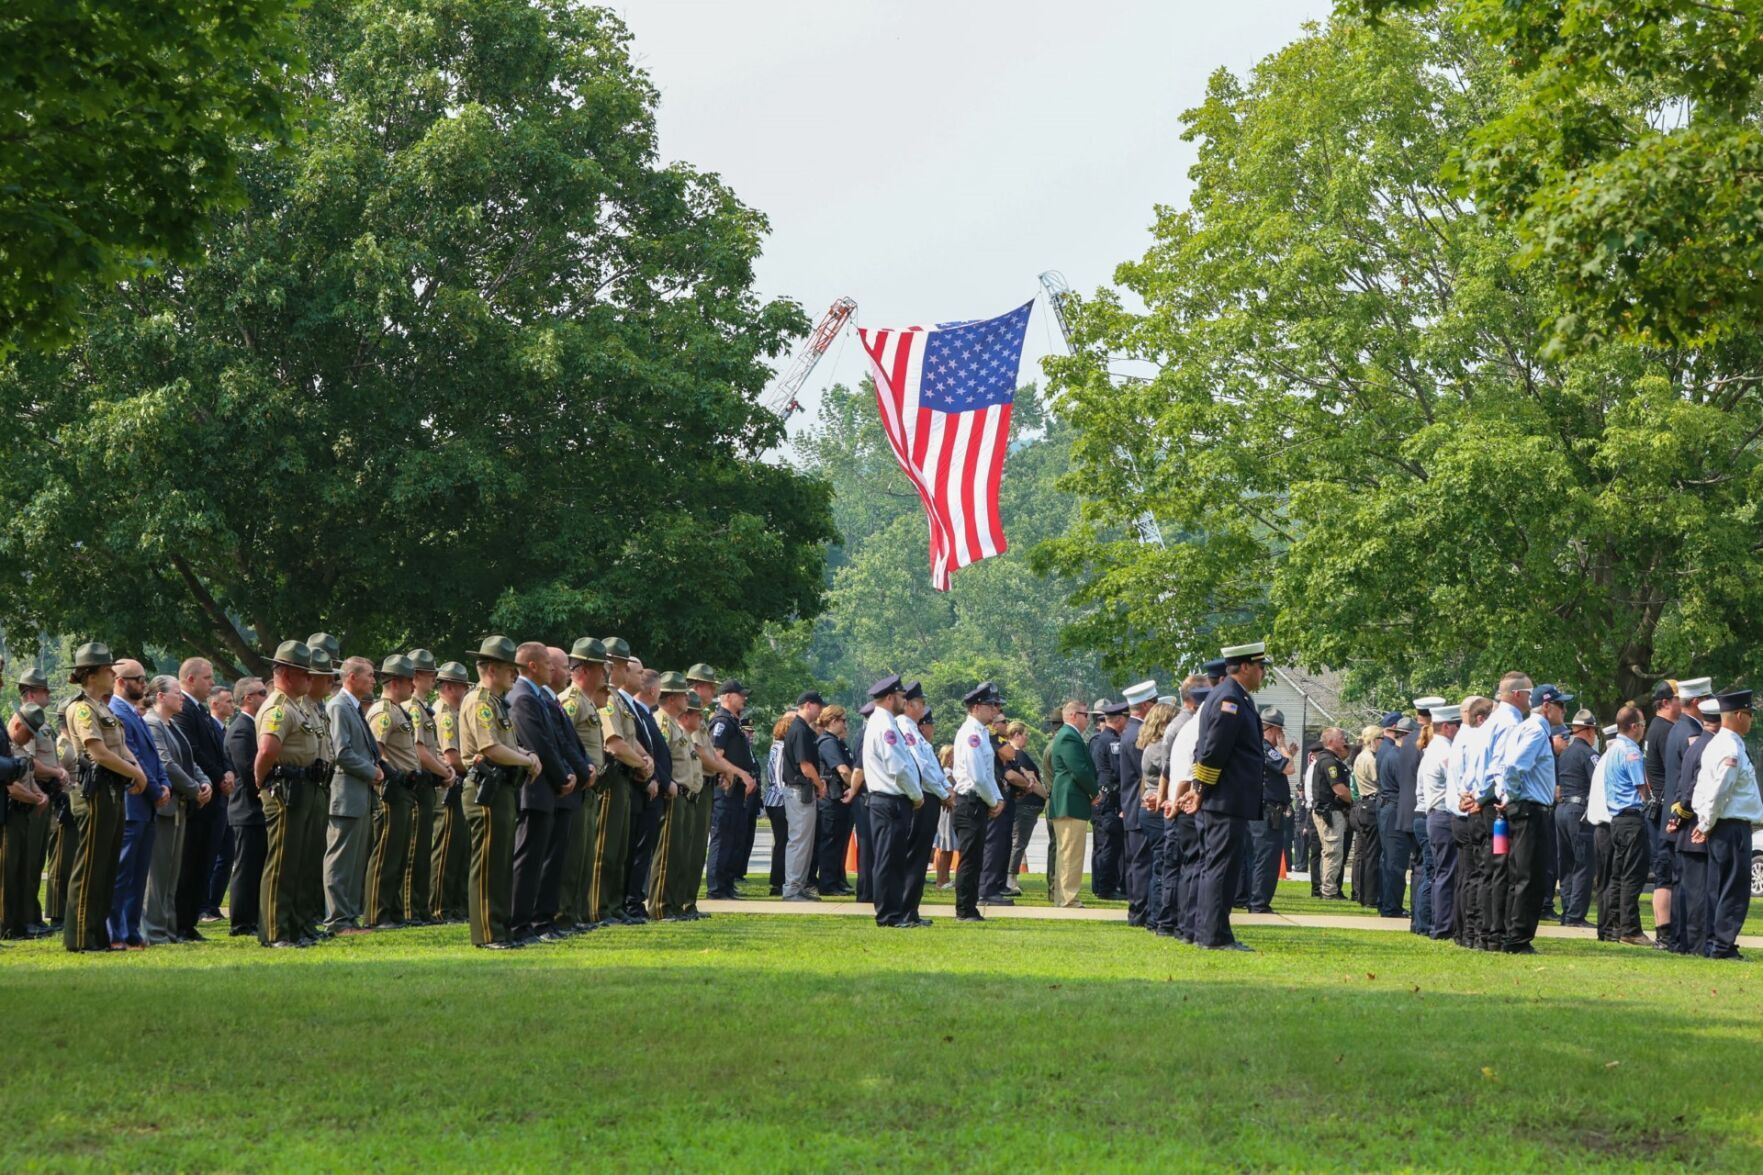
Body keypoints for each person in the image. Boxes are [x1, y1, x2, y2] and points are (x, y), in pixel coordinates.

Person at [1188, 641, 1271, 952]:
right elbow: (1212, 751)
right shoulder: (1229, 700)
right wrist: (1201, 789)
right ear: (1246, 666)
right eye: (1261, 667)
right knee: (1221, 869)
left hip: (1228, 798)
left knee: (1221, 868)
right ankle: (1214, 936)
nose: (1263, 673)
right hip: (1224, 799)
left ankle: (1212, 932)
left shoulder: (1235, 697)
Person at [460, 636, 541, 949]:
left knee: (500, 864)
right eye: (510, 668)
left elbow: (504, 745)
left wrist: (523, 755)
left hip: (503, 788)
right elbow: (490, 748)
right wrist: (527, 759)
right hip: (486, 788)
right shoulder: (481, 701)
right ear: (491, 668)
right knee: (488, 866)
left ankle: (501, 930)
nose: (515, 674)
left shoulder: (495, 702)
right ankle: (488, 934)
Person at [507, 641, 579, 941]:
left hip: (546, 790)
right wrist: (563, 775)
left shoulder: (536, 697)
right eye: (547, 664)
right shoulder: (523, 698)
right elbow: (540, 744)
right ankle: (520, 924)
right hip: (534, 790)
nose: (553, 669)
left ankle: (535, 922)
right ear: (533, 666)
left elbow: (557, 741)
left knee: (538, 861)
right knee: (527, 861)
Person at [253, 641, 323, 948]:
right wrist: (262, 781)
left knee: (299, 862)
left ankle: (294, 926)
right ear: (288, 673)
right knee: (282, 862)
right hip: (285, 788)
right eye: (305, 673)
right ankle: (277, 931)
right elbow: (267, 750)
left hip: (304, 787)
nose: (311, 679)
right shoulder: (279, 707)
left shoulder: (297, 705)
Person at [1486, 679, 1563, 955]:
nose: (1563, 711)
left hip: (1527, 807)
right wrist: (1514, 795)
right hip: (1530, 809)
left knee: (1523, 874)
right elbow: (1514, 767)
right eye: (1560, 705)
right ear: (1546, 705)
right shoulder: (1534, 731)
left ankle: (1512, 933)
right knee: (1529, 876)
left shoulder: (1527, 728)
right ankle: (1517, 938)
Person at [1687, 690, 1759, 961]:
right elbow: (1719, 790)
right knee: (1733, 888)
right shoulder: (1729, 747)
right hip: (1731, 825)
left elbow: (1704, 789)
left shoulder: (1719, 744)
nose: (1751, 721)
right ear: (1739, 715)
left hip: (1722, 824)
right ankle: (1722, 945)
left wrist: (1705, 821)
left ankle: (1717, 942)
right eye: (1750, 715)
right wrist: (1707, 822)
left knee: (1719, 886)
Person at [142, 676, 210, 944]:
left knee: (172, 873)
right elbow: (166, 763)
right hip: (164, 808)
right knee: (157, 874)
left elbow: (189, 760)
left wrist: (204, 782)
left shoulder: (171, 725)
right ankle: (154, 931)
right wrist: (195, 788)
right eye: (176, 693)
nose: (181, 698)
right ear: (160, 696)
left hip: (179, 807)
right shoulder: (152, 723)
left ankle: (168, 930)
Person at [108, 658, 170, 949]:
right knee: (123, 873)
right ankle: (116, 931)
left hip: (145, 804)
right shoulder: (116, 712)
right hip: (133, 802)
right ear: (120, 681)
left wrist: (164, 784)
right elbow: (132, 755)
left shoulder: (133, 712)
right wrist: (156, 790)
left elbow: (154, 758)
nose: (144, 684)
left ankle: (132, 931)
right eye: (139, 679)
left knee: (138, 874)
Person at [591, 640, 652, 923]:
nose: (623, 669)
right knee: (604, 850)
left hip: (624, 779)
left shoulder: (615, 699)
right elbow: (614, 743)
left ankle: (613, 907)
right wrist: (642, 762)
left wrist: (644, 758)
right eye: (619, 664)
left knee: (617, 851)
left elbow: (629, 740)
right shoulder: (605, 699)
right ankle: (599, 907)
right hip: (611, 779)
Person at [322, 655, 382, 935]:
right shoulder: (338, 707)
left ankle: (348, 917)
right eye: (369, 674)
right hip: (345, 794)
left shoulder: (353, 707)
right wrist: (372, 771)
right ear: (351, 677)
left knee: (355, 860)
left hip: (358, 794)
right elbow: (341, 752)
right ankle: (337, 920)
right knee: (340, 859)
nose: (373, 680)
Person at [369, 655, 429, 931]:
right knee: (386, 854)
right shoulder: (383, 711)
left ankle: (392, 911)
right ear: (395, 682)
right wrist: (391, 775)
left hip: (406, 787)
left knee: (399, 853)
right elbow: (376, 750)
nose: (413, 685)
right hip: (393, 788)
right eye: (408, 680)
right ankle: (378, 913)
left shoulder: (397, 710)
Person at [556, 639, 610, 931]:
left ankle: (575, 913)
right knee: (572, 855)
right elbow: (562, 742)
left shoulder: (587, 702)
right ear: (587, 669)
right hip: (576, 787)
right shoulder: (572, 701)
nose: (605, 675)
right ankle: (563, 914)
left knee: (584, 855)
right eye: (602, 668)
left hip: (590, 788)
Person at [861, 675, 922, 928]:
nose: (903, 700)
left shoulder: (884, 722)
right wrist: (916, 795)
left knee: (894, 858)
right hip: (890, 800)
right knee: (888, 859)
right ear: (889, 698)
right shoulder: (885, 726)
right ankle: (888, 914)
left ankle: (892, 912)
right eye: (900, 696)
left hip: (888, 801)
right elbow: (897, 767)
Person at [1659, 676, 1711, 952]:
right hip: (1687, 818)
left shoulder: (1677, 729)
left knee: (1681, 884)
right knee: (1693, 887)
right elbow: (1692, 780)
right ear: (1697, 702)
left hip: (1677, 817)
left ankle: (1679, 939)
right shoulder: (1692, 734)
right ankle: (1691, 940)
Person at [1668, 699, 1723, 955]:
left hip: (1685, 828)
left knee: (1686, 891)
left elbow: (1681, 787)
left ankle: (1682, 943)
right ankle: (1697, 945)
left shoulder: (1696, 745)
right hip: (1698, 828)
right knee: (1700, 894)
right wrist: (1686, 816)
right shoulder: (1711, 747)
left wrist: (1676, 817)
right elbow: (1692, 790)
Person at [402, 649, 450, 927]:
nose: (434, 679)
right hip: (418, 783)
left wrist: (442, 767)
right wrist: (444, 770)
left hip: (427, 783)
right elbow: (419, 752)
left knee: (422, 850)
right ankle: (411, 908)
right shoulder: (413, 708)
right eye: (430, 674)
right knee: (414, 851)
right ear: (417, 676)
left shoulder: (421, 708)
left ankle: (421, 908)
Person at [950, 682, 1005, 922]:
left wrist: (997, 799)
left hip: (979, 802)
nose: (996, 710)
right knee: (969, 860)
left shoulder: (981, 733)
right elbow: (977, 775)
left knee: (976, 858)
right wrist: (994, 800)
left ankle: (969, 907)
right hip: (970, 802)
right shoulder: (971, 733)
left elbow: (987, 774)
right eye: (991, 705)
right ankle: (964, 910)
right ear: (975, 707)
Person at [1599, 704, 1651, 946]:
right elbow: (1642, 788)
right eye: (1642, 725)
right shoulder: (1631, 751)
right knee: (1633, 875)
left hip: (1616, 820)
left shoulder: (1612, 749)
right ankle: (1631, 928)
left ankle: (1615, 925)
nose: (1644, 730)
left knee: (1618, 875)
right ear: (1634, 727)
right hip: (1631, 818)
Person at [647, 672, 698, 920]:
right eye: (683, 694)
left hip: (684, 796)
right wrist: (666, 783)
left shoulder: (674, 725)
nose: (687, 698)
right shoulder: (662, 723)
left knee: (679, 855)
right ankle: (660, 906)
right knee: (666, 854)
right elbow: (659, 758)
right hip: (671, 795)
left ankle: (675, 905)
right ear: (671, 697)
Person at [899, 684, 949, 924]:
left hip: (930, 796)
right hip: (922, 797)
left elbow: (932, 766)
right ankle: (906, 910)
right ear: (908, 704)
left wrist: (944, 788)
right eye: (920, 702)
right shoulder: (905, 728)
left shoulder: (914, 731)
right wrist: (943, 792)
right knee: (915, 857)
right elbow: (922, 767)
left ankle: (912, 910)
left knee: (919, 858)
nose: (924, 707)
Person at [1, 706, 50, 940]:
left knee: (22, 872)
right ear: (18, 726)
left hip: (24, 816)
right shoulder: (7, 751)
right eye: (29, 733)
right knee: (8, 873)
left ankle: (20, 924)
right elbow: (11, 788)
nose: (31, 738)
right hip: (11, 816)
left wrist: (40, 794)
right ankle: (6, 925)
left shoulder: (20, 750)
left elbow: (29, 781)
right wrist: (34, 798)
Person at [429, 661, 473, 922]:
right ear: (449, 687)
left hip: (457, 785)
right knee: (445, 849)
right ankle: (440, 907)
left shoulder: (455, 711)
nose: (466, 691)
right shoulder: (444, 713)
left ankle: (455, 905)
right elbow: (452, 756)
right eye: (461, 686)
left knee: (458, 849)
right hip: (448, 788)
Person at [705, 679, 756, 900]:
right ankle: (716, 888)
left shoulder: (734, 722)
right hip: (725, 787)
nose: (744, 699)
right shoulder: (722, 722)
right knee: (722, 837)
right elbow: (716, 754)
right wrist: (741, 774)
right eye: (740, 695)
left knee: (732, 838)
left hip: (736, 790)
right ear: (727, 697)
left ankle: (726, 884)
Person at [224, 676, 267, 937]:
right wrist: (264, 792)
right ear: (248, 698)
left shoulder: (253, 726)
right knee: (246, 868)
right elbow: (248, 770)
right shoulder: (242, 728)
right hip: (247, 809)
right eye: (262, 693)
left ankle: (253, 918)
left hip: (254, 809)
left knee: (256, 867)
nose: (266, 696)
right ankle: (241, 923)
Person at [1046, 699, 1096, 909]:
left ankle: (1063, 896)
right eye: (1086, 715)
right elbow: (1079, 769)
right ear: (1073, 715)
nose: (1089, 719)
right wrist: (1094, 791)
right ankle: (1069, 898)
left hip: (1068, 800)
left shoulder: (1068, 736)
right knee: (1071, 853)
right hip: (1070, 800)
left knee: (1066, 852)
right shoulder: (1069, 736)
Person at [1415, 704, 1459, 941]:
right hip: (1443, 814)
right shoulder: (1444, 750)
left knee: (1442, 872)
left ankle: (1440, 924)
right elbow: (1456, 779)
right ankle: (1442, 926)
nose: (1459, 729)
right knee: (1446, 873)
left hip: (1435, 815)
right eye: (1456, 725)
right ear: (1446, 726)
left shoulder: (1434, 749)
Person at [1642, 680, 1681, 948]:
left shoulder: (1655, 728)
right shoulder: (1665, 730)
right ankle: (1665, 935)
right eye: (1679, 698)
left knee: (1664, 874)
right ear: (1665, 702)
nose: (1683, 702)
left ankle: (1664, 933)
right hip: (1665, 812)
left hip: (1657, 810)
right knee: (1666, 876)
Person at [1554, 708, 1600, 928]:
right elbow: (1598, 783)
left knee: (1567, 864)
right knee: (1584, 864)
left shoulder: (1565, 754)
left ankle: (1567, 912)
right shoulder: (1589, 754)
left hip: (1562, 810)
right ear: (1589, 730)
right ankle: (1575, 916)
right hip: (1579, 813)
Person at [1246, 707, 1293, 914]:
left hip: (1266, 809)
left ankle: (1254, 899)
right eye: (1279, 733)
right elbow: (1288, 768)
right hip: (1267, 811)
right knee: (1266, 857)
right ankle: (1258, 902)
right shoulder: (1265, 747)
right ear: (1274, 730)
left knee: (1262, 855)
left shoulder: (1258, 746)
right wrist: (1283, 747)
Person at [780, 691, 825, 901]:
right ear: (808, 705)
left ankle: (800, 885)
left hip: (802, 791)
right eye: (818, 706)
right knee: (799, 841)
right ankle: (792, 887)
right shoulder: (799, 729)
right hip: (799, 789)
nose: (821, 710)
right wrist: (820, 784)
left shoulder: (803, 729)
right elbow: (805, 766)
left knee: (805, 842)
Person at [1118, 680, 1157, 922]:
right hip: (1139, 805)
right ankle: (1140, 911)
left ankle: (1137, 909)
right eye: (1153, 704)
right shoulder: (1137, 735)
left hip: (1133, 806)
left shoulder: (1132, 731)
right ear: (1144, 705)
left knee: (1137, 863)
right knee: (1141, 864)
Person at [1135, 702, 1176, 930]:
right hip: (1156, 809)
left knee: (1159, 864)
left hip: (1151, 808)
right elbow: (1171, 774)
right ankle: (1157, 917)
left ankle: (1155, 915)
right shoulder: (1160, 747)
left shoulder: (1152, 745)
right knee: (1162, 864)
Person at [814, 704, 856, 896]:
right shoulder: (828, 742)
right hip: (832, 799)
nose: (845, 724)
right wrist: (855, 788)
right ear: (833, 721)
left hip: (840, 798)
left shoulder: (838, 742)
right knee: (831, 842)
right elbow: (843, 770)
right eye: (843, 720)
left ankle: (838, 879)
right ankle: (828, 883)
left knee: (840, 842)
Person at [1088, 700, 1128, 901]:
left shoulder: (1097, 740)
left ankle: (1099, 885)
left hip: (1101, 799)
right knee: (1110, 846)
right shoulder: (1112, 742)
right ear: (1119, 720)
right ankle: (1106, 887)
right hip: (1110, 800)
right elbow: (1118, 772)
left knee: (1101, 845)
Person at [1309, 727, 1354, 900]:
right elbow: (1340, 789)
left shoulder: (1331, 760)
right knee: (1333, 851)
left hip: (1331, 811)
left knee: (1331, 851)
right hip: (1330, 812)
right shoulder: (1329, 762)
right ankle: (1329, 890)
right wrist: (1354, 802)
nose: (1345, 741)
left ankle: (1328, 888)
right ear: (1330, 741)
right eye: (1341, 738)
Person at [1004, 720, 1046, 892]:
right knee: (1018, 842)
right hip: (1025, 806)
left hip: (1026, 806)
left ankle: (1009, 876)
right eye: (1025, 735)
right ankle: (1010, 878)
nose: (1027, 739)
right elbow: (1032, 782)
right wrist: (1047, 796)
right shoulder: (1018, 755)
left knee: (1017, 842)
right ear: (1016, 735)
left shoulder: (1015, 754)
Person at [762, 710, 792, 896]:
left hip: (775, 799)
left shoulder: (775, 747)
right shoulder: (781, 749)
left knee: (782, 841)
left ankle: (779, 879)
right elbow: (780, 778)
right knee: (783, 841)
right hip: (779, 800)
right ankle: (778, 881)